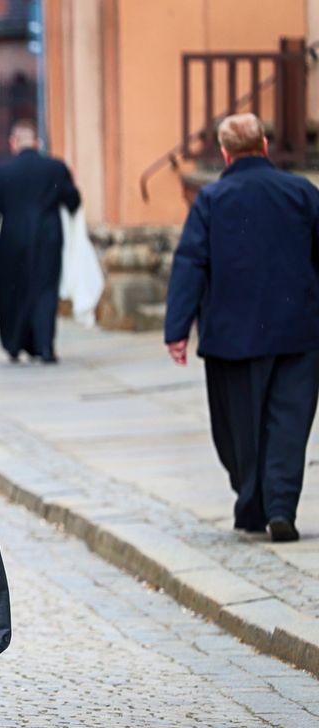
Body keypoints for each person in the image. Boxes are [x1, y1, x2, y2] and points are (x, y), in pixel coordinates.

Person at [166, 113, 319, 543]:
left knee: (238, 427)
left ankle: (254, 504)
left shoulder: (212, 199)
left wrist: (177, 328)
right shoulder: (302, 192)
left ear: (226, 152)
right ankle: (280, 505)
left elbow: (190, 262)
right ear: (265, 147)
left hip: (232, 337)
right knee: (289, 424)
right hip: (298, 331)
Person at [0, 119, 81, 363]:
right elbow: (73, 202)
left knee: (13, 291)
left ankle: (14, 344)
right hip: (48, 237)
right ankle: (45, 346)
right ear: (38, 142)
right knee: (45, 290)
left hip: (12, 238)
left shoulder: (1, 171)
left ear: (13, 143)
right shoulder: (56, 167)